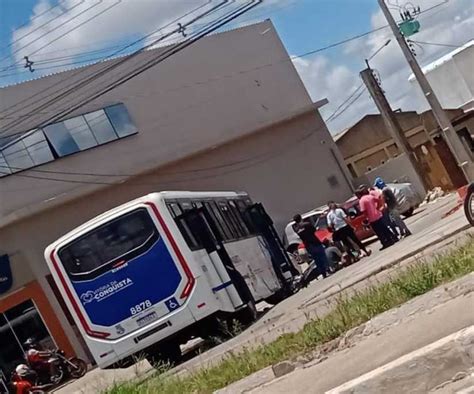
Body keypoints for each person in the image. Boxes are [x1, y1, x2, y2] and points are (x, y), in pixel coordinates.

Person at [357, 185, 395, 250]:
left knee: (379, 232)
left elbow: (364, 211)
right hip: (378, 215)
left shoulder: (361, 201)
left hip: (372, 219)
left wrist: (367, 218)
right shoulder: (370, 196)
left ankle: (384, 242)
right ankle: (390, 240)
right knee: (384, 228)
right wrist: (378, 207)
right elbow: (379, 200)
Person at [293, 214, 329, 278]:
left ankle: (323, 273)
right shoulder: (307, 224)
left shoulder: (297, 229)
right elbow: (314, 230)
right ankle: (328, 270)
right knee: (322, 256)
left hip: (308, 246)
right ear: (301, 218)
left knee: (317, 260)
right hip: (315, 242)